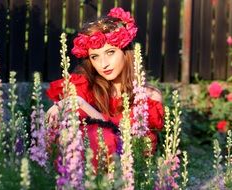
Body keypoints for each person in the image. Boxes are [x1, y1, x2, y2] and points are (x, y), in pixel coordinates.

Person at [45, 7, 164, 169]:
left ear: (125, 52)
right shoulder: (85, 86)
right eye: (95, 56)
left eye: (110, 52)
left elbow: (125, 137)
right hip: (82, 167)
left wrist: (80, 103)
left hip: (125, 169)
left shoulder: (148, 96)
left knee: (103, 136)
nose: (103, 64)